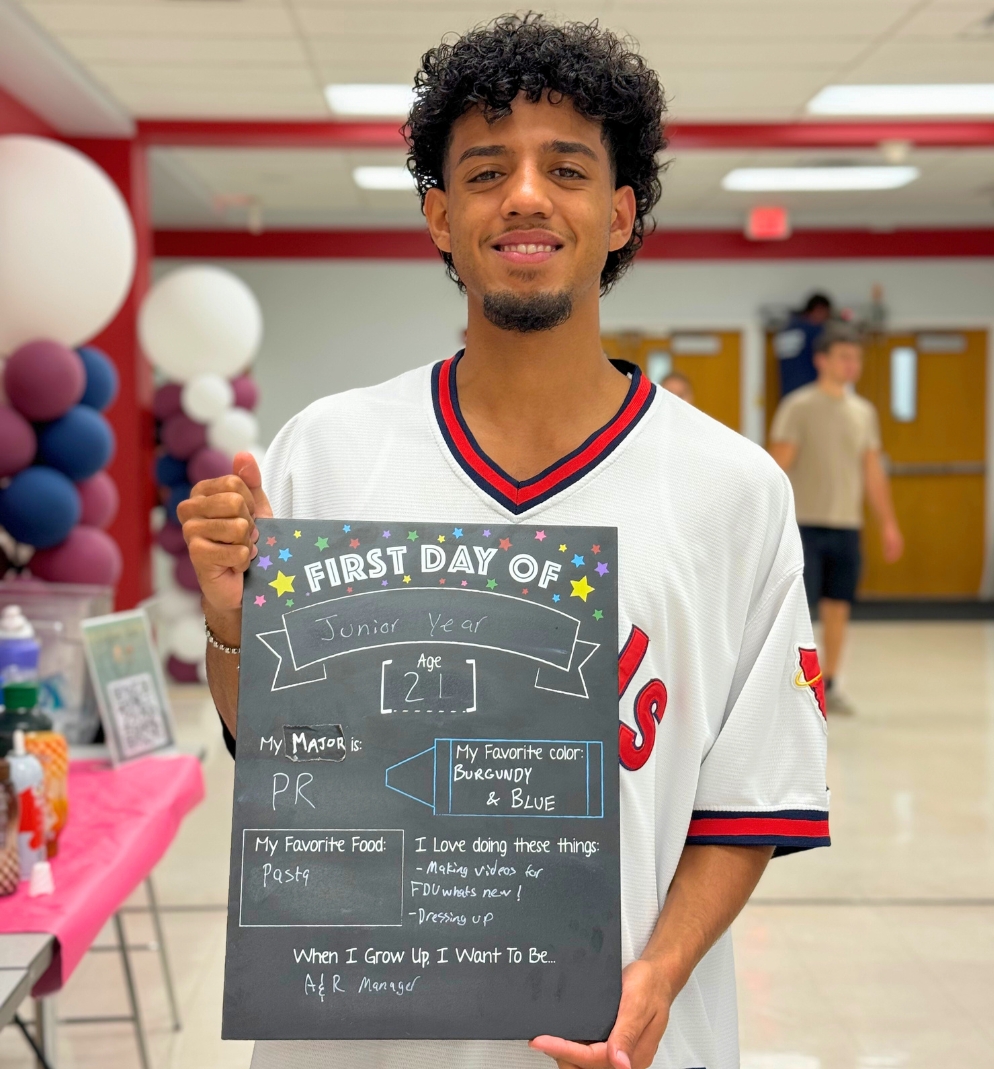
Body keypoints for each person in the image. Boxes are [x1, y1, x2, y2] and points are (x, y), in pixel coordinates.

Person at [179, 15, 829, 1069]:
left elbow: (748, 796)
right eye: (485, 171)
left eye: (565, 167)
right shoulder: (325, 451)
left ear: (618, 213)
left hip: (611, 1042)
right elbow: (286, 763)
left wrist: (656, 976)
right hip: (359, 1041)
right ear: (440, 217)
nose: (524, 194)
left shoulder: (731, 489)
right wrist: (226, 626)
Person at [769, 323, 904, 715]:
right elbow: (775, 467)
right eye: (844, 357)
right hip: (804, 524)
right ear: (822, 361)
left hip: (846, 524)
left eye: (857, 358)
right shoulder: (799, 406)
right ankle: (792, 685)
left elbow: (872, 470)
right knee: (799, 610)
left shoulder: (864, 413)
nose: (852, 365)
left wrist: (888, 522)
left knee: (838, 606)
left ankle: (830, 684)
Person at [774, 292, 832, 397]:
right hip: (811, 393)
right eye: (825, 315)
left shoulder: (784, 331)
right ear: (819, 310)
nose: (824, 320)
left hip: (787, 393)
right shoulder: (814, 332)